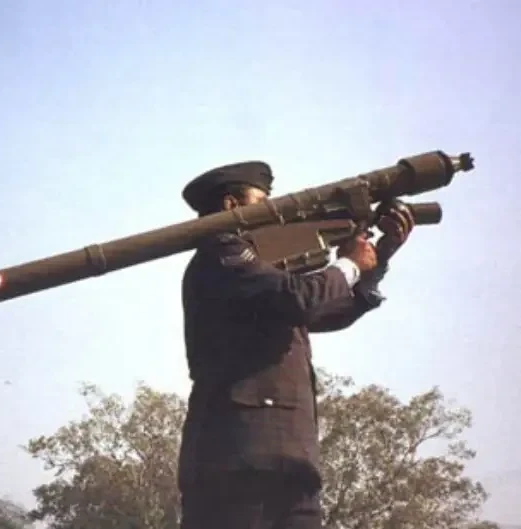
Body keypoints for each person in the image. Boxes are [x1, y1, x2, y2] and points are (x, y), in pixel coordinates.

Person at [177, 160, 414, 529]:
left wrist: (378, 258)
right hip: (235, 464)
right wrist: (349, 264)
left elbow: (325, 312)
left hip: (291, 464)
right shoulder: (221, 256)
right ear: (231, 205)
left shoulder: (265, 275)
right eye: (263, 202)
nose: (277, 212)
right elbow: (301, 299)